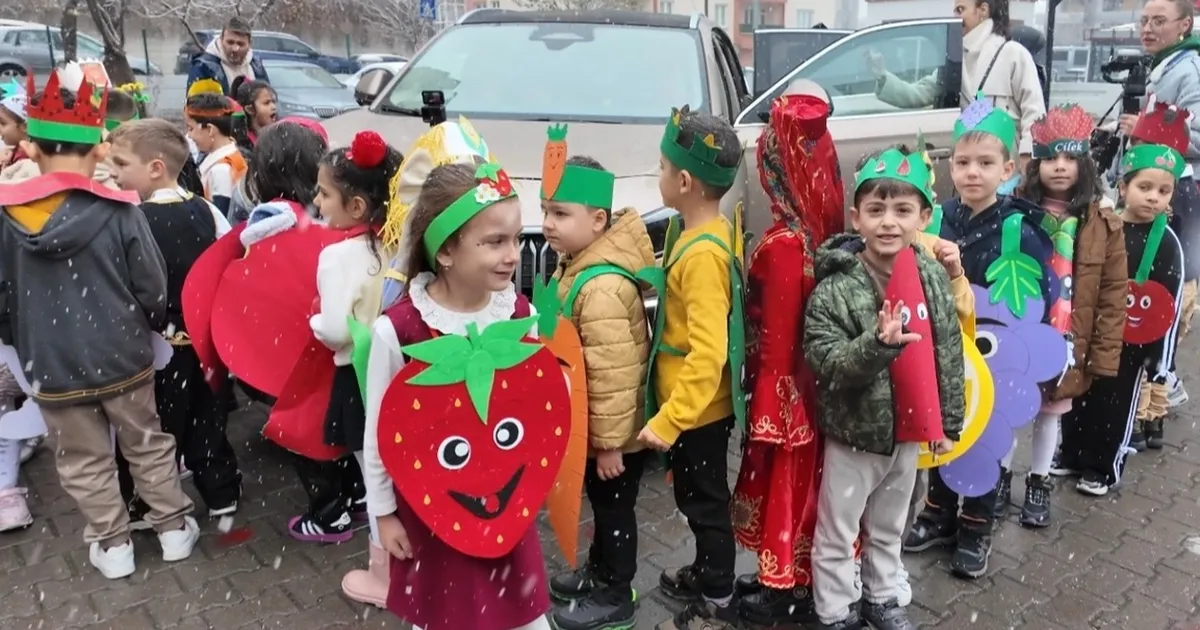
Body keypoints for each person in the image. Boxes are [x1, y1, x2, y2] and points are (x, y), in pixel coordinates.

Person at [0, 70, 198, 580]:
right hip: (122, 354)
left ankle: (113, 546)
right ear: (97, 153)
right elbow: (151, 285)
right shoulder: (121, 211)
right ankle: (173, 530)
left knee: (83, 457)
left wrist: (21, 338)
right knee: (146, 441)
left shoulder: (6, 218)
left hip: (51, 364)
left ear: (33, 149)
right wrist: (147, 321)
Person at [361, 159, 552, 630]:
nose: (512, 255)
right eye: (494, 242)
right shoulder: (399, 331)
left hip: (505, 504)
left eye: (514, 237)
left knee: (519, 614)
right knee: (449, 614)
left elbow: (534, 407)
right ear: (445, 251)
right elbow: (380, 436)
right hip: (436, 510)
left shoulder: (517, 314)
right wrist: (383, 515)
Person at [804, 145, 964, 630]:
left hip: (910, 431)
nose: (888, 222)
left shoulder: (932, 276)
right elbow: (826, 359)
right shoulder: (835, 286)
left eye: (902, 210)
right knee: (838, 528)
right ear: (856, 217)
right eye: (876, 209)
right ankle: (834, 611)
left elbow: (947, 353)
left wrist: (948, 422)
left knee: (891, 524)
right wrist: (876, 345)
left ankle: (881, 596)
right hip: (855, 432)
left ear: (924, 216)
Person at [907, 97, 1053, 580]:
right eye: (964, 162)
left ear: (1008, 168)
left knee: (986, 439)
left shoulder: (1021, 229)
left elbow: (1038, 300)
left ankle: (976, 524)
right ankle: (937, 511)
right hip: (944, 353)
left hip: (995, 357)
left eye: (986, 163)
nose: (973, 173)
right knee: (941, 430)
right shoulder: (934, 219)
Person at [729, 90, 844, 626]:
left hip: (786, 396)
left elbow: (774, 338)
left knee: (786, 486)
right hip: (818, 393)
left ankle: (784, 589)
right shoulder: (827, 238)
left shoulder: (782, 245)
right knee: (809, 489)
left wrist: (767, 400)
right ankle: (798, 575)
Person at [539, 139, 653, 630]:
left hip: (614, 435)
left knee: (614, 510)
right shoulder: (578, 265)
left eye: (560, 214)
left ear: (599, 221)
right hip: (597, 428)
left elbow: (614, 373)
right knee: (605, 507)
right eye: (545, 212)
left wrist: (609, 446)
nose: (547, 224)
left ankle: (616, 593)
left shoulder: (602, 287)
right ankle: (601, 571)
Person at [635, 105, 742, 630]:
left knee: (705, 504)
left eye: (659, 167)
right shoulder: (708, 229)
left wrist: (670, 419)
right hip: (696, 408)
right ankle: (705, 569)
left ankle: (719, 595)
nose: (657, 177)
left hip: (697, 410)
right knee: (693, 496)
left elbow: (708, 352)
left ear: (683, 180)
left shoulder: (703, 256)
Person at [106, 118, 242, 524]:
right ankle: (222, 491)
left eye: (121, 163)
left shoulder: (131, 220)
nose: (112, 172)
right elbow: (229, 262)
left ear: (155, 168)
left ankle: (146, 502)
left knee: (152, 430)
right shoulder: (205, 211)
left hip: (157, 349)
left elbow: (127, 285)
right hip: (205, 343)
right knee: (209, 418)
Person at [1012, 104, 1128, 526]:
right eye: (1050, 159)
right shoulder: (1016, 213)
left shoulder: (1102, 224)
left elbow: (1114, 295)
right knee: (1010, 408)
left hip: (1065, 340)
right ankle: (1002, 475)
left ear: (1084, 164)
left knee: (1050, 414)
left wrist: (1101, 356)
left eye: (1069, 158)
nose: (1059, 168)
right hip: (1021, 333)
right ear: (1036, 164)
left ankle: (1039, 483)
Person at [307, 130, 401, 605]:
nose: (317, 201)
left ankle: (386, 578)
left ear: (358, 206)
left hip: (359, 376)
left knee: (374, 474)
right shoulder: (399, 247)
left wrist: (314, 322)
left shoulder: (336, 256)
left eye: (324, 193)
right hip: (399, 371)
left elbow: (339, 330)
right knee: (402, 470)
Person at [1069, 143, 1185, 497]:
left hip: (1133, 342)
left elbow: (1171, 305)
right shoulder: (1104, 226)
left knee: (1115, 406)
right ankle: (1073, 453)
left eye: (1163, 191)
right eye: (1144, 188)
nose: (1153, 198)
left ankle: (1104, 467)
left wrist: (1161, 361)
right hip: (1094, 331)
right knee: (1077, 397)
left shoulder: (1167, 242)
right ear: (1123, 188)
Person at [870, 0, 1045, 183]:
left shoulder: (1013, 54)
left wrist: (1028, 158)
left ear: (982, 10)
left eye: (960, 10)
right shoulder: (955, 59)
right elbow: (918, 93)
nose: (955, 18)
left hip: (1007, 171)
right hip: (971, 168)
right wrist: (881, 75)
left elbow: (1034, 112)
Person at [1114, 100, 1192, 451]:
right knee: (1136, 363)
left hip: (1165, 292)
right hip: (1132, 296)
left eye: (1163, 191)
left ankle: (1150, 418)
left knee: (1155, 359)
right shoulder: (1119, 218)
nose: (1153, 196)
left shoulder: (1177, 212)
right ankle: (1138, 420)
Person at [185, 87, 246, 215]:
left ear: (210, 129)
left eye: (191, 129)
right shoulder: (233, 155)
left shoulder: (221, 170)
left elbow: (221, 218)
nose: (189, 136)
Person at [187, 17, 270, 96]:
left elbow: (267, 101)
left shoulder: (256, 67)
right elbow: (197, 107)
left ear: (249, 44)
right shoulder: (204, 67)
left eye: (240, 44)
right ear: (221, 39)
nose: (235, 49)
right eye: (230, 42)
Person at [233, 79, 277, 152]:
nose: (273, 107)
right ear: (250, 109)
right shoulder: (243, 143)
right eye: (267, 103)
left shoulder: (277, 135)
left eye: (274, 102)